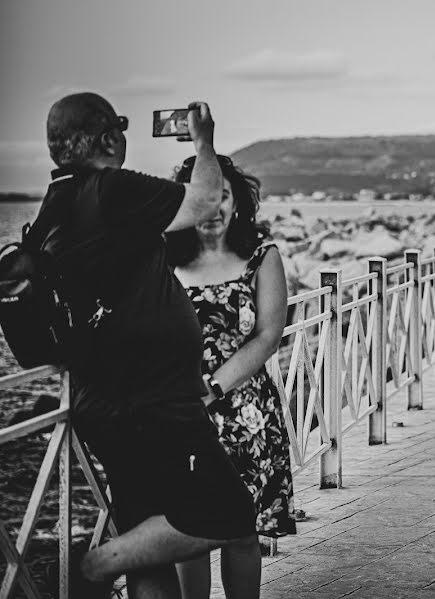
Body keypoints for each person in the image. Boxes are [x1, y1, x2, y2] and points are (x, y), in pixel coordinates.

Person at [40, 93, 261, 599]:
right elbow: (203, 200)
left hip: (104, 399)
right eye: (118, 127)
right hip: (156, 401)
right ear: (108, 138)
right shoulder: (112, 188)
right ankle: (94, 565)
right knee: (230, 516)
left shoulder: (58, 202)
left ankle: (114, 559)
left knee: (148, 529)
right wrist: (204, 140)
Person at [166, 155, 296, 599]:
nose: (213, 207)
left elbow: (267, 336)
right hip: (179, 418)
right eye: (202, 196)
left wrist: (213, 387)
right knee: (189, 535)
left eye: (223, 195)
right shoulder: (163, 262)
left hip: (246, 417)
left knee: (242, 533)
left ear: (237, 200)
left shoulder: (261, 256)